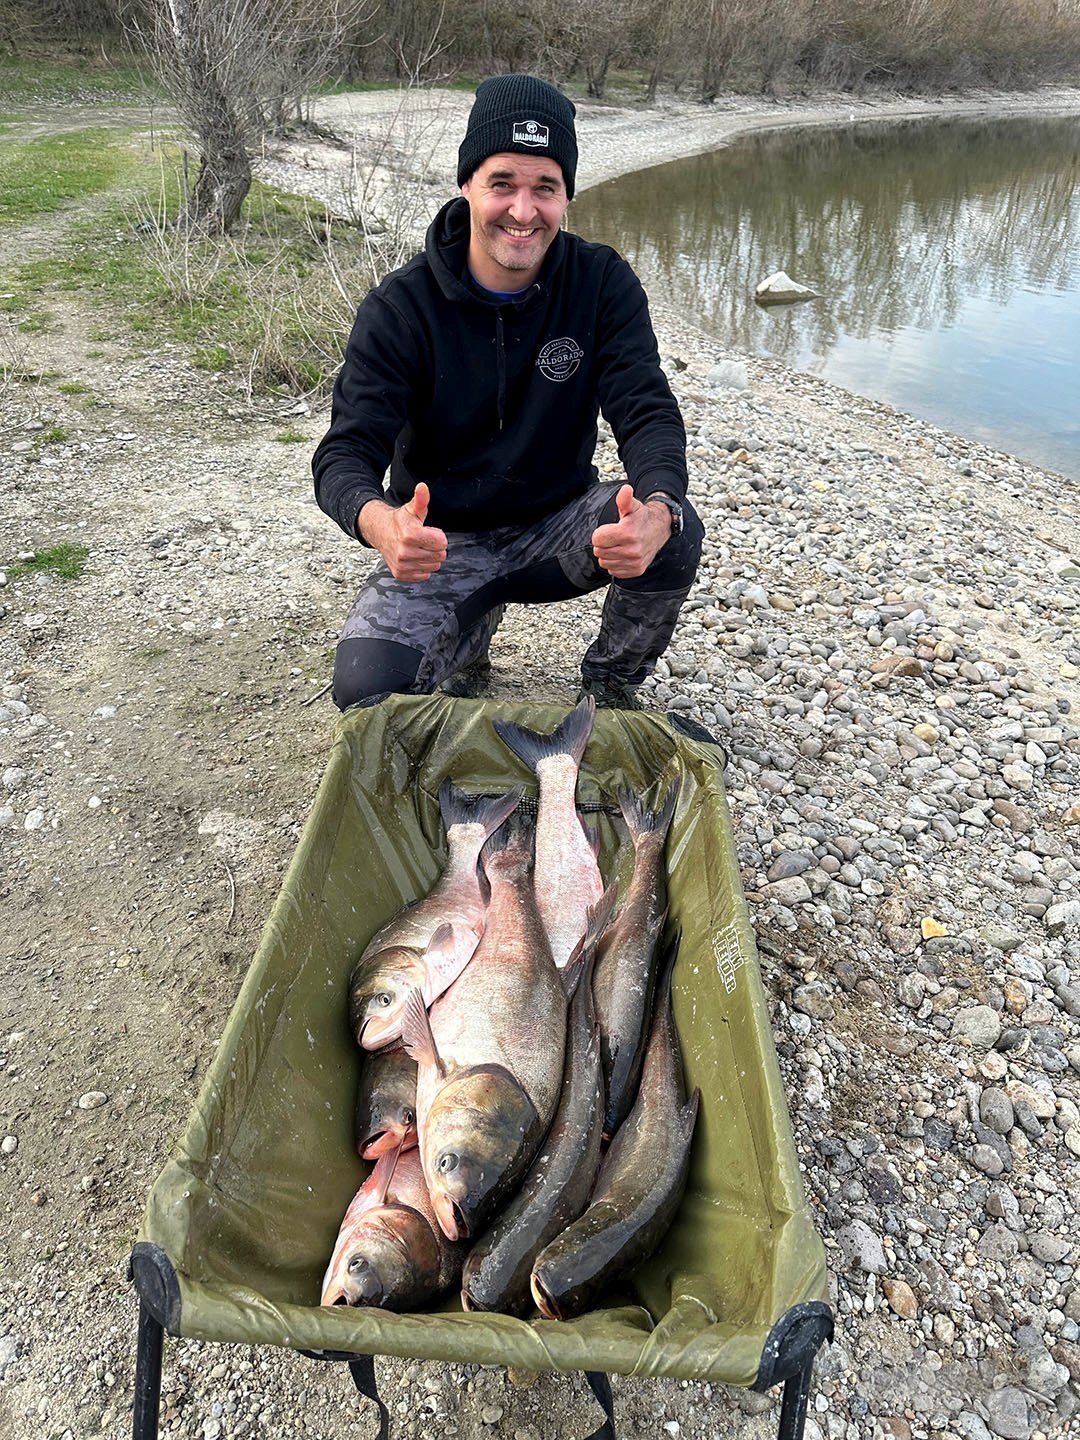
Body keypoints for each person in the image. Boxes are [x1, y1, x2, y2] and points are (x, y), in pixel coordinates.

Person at [312, 73, 704, 711]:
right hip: (441, 543)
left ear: (566, 196)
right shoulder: (400, 308)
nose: (524, 212)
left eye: (545, 188)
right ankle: (468, 639)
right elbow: (343, 455)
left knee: (676, 526)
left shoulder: (600, 283)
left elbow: (647, 410)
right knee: (366, 695)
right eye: (502, 184)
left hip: (556, 530)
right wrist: (379, 522)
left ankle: (611, 685)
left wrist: (657, 510)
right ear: (467, 184)